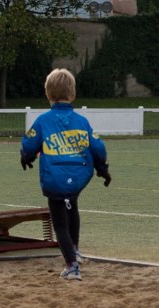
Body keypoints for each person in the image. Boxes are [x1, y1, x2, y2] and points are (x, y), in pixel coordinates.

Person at [20, 68, 112, 281]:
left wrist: (26, 157)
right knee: (73, 207)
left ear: (48, 94)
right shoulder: (82, 121)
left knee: (59, 223)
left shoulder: (44, 120)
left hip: (54, 176)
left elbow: (29, 143)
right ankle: (76, 249)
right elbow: (98, 147)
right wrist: (103, 169)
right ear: (72, 94)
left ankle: (71, 266)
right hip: (79, 175)